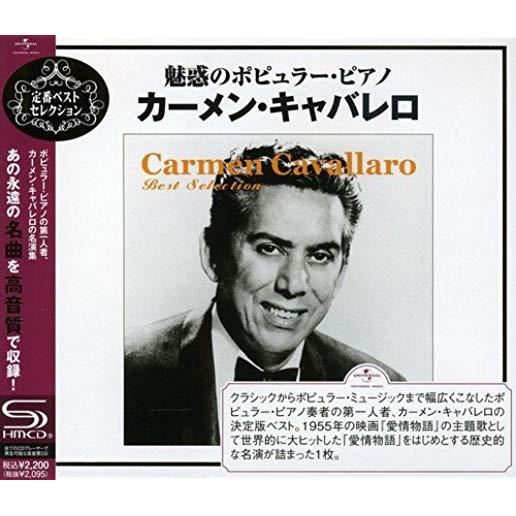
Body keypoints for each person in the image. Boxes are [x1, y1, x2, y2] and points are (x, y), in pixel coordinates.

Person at [125, 143, 405, 446]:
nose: (293, 284)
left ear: (341, 273)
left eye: (320, 256)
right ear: (213, 254)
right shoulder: (124, 372)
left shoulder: (384, 393)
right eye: (270, 249)